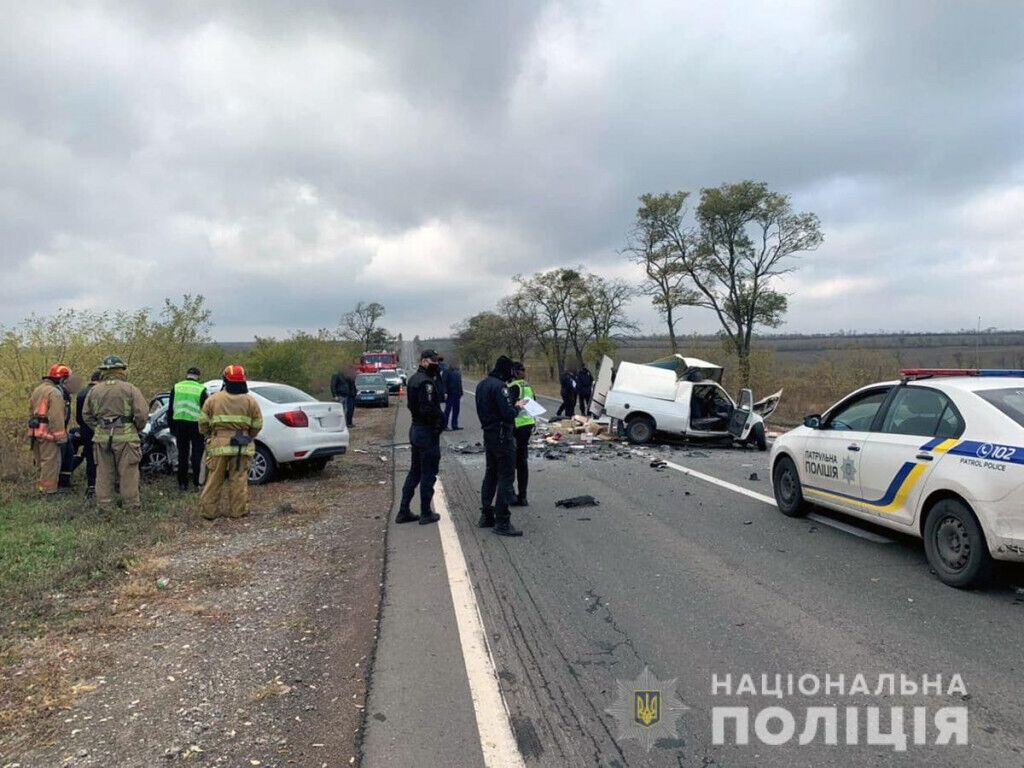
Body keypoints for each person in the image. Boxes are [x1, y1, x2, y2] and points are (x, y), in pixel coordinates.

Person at [82, 356, 148, 511]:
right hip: (126, 438)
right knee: (128, 472)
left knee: (103, 473)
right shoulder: (130, 389)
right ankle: (131, 505)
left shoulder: (94, 391)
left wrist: (98, 428)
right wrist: (136, 428)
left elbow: (86, 415)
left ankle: (104, 506)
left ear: (103, 371)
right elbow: (142, 414)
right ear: (122, 370)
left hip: (102, 439)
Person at [198, 365, 263, 520]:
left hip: (218, 445)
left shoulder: (213, 399)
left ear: (225, 380)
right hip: (242, 446)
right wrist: (248, 435)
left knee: (214, 479)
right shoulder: (250, 401)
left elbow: (202, 423)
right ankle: (238, 512)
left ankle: (209, 512)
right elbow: (257, 425)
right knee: (239, 480)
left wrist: (209, 435)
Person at [476, 355, 524, 536]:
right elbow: (508, 414)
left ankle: (486, 515)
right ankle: (502, 521)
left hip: (489, 434)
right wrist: (517, 406)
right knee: (506, 477)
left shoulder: (482, 385)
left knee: (490, 474)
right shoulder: (500, 387)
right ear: (506, 370)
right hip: (502, 436)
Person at [396, 350, 444, 525]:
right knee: (428, 473)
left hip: (416, 429)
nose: (436, 364)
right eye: (433, 361)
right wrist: (438, 422)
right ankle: (426, 513)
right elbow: (427, 408)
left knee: (415, 472)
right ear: (424, 361)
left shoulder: (414, 379)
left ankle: (403, 511)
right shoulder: (425, 382)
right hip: (426, 431)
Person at [28, 364, 72, 494]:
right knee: (50, 462)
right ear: (62, 379)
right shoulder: (55, 393)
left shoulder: (38, 389)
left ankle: (40, 488)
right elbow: (56, 417)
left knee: (40, 461)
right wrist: (61, 437)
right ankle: (49, 491)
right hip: (48, 433)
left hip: (35, 430)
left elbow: (30, 410)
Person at [168, 367, 208, 491]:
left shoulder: (176, 387)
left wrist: (171, 427)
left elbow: (170, 409)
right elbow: (206, 410)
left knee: (182, 454)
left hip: (179, 423)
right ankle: (197, 482)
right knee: (197, 454)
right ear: (198, 376)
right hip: (196, 425)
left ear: (187, 375)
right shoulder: (201, 389)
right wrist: (206, 428)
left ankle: (182, 483)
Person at [508, 361, 534, 508]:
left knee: (511, 461)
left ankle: (511, 494)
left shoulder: (513, 387)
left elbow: (509, 407)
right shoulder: (527, 386)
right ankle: (523, 496)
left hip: (516, 426)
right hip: (527, 425)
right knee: (522, 461)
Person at [75, 371, 101, 498]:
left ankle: (91, 486)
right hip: (99, 430)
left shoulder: (81, 393)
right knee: (102, 459)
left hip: (85, 430)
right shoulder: (99, 393)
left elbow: (78, 418)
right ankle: (101, 486)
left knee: (90, 458)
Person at [443, 358, 464, 431]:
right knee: (448, 410)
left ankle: (455, 425)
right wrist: (445, 392)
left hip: (457, 394)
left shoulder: (458, 372)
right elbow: (444, 382)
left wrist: (461, 392)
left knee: (456, 410)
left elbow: (459, 383)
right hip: (450, 393)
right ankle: (444, 425)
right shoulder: (447, 371)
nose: (456, 364)